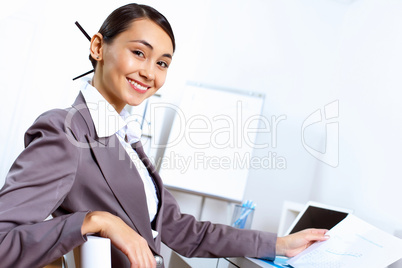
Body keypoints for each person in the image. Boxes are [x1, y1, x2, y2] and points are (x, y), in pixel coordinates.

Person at [0, 3, 329, 268]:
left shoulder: (125, 138)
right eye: (139, 53)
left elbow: (182, 231)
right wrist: (94, 221)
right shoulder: (66, 131)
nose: (149, 73)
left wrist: (279, 244)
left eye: (162, 63)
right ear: (98, 47)